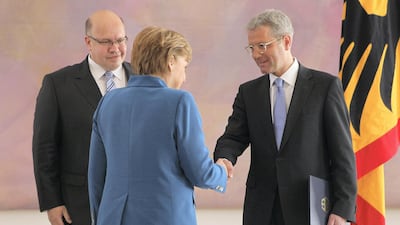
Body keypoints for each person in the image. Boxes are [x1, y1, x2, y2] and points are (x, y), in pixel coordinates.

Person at [214, 9, 357, 225]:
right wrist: (225, 158)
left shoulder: (325, 87)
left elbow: (343, 154)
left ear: (286, 41)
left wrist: (342, 208)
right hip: (261, 209)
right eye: (251, 48)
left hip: (311, 208)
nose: (255, 55)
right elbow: (232, 138)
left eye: (262, 46)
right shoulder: (248, 92)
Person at [88, 26, 231, 225]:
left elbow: (96, 178)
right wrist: (222, 171)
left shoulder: (108, 102)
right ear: (171, 60)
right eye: (185, 66)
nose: (184, 76)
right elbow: (200, 173)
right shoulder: (180, 101)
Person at [32, 10, 132, 225]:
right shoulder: (58, 85)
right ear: (88, 42)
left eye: (120, 40)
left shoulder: (143, 78)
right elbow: (44, 147)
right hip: (79, 203)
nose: (115, 49)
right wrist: (52, 202)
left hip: (135, 203)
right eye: (106, 42)